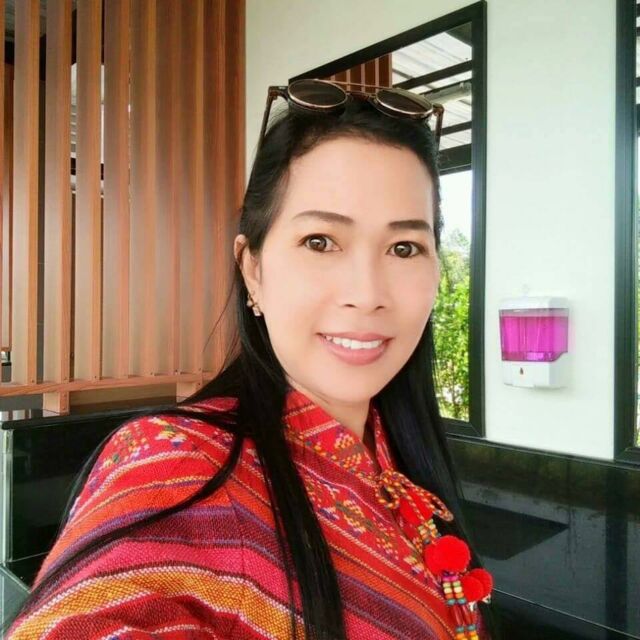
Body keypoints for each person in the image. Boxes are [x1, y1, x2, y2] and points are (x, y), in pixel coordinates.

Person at [4, 79, 499, 640]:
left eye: (404, 248)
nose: (367, 294)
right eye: (320, 241)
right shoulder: (182, 467)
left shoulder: (398, 458)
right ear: (253, 269)